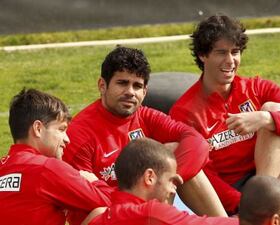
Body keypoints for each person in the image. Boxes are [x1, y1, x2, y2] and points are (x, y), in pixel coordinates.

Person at [169, 14, 280, 215]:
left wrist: (265, 119)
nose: (230, 61)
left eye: (235, 52)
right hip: (230, 198)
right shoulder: (185, 111)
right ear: (203, 55)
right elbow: (204, 174)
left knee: (275, 110)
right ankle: (257, 211)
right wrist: (241, 204)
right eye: (221, 52)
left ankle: (263, 201)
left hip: (273, 184)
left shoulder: (257, 88)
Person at [63, 46, 226, 217]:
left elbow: (197, 142)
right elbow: (82, 198)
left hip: (147, 206)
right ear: (102, 85)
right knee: (98, 211)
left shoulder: (145, 115)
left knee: (175, 151)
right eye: (122, 83)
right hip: (109, 213)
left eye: (137, 86)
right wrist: (142, 202)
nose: (130, 92)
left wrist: (168, 181)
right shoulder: (79, 133)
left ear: (145, 91)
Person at [0, 88, 111, 225]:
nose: (67, 139)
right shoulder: (47, 168)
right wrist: (93, 182)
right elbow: (116, 204)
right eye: (61, 129)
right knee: (102, 213)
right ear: (38, 128)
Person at [85, 138, 237, 225]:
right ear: (149, 177)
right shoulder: (152, 213)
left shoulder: (98, 217)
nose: (173, 189)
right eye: (171, 181)